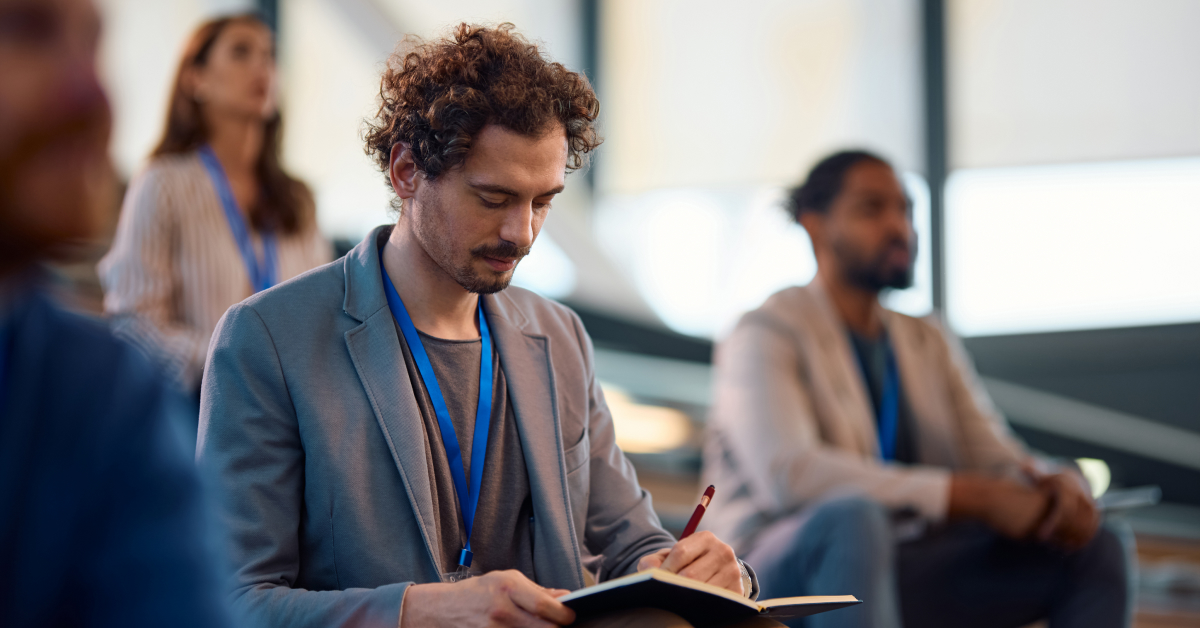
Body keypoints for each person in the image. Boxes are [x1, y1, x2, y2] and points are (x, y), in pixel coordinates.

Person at [198, 23, 765, 628]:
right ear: (407, 172)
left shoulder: (560, 338)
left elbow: (632, 546)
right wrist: (417, 612)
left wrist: (711, 573)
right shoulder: (268, 340)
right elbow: (226, 601)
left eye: (542, 202)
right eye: (493, 199)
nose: (521, 234)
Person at [702, 150, 1131, 628]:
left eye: (905, 209)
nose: (899, 227)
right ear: (815, 226)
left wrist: (1057, 481)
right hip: (770, 574)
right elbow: (791, 476)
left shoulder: (925, 339)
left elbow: (994, 457)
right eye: (872, 208)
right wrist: (965, 496)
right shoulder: (764, 330)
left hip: (895, 564)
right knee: (853, 519)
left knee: (1095, 544)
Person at [0, 0, 232, 626]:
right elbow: (141, 314)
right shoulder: (164, 184)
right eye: (26, 31)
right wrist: (232, 359)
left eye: (93, 44)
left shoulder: (97, 393)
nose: (93, 92)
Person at [99, 13, 330, 401]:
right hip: (197, 410)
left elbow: (324, 316)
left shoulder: (297, 196)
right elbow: (133, 323)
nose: (262, 66)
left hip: (292, 415)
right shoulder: (162, 183)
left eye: (268, 55)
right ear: (196, 79)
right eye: (241, 52)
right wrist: (229, 362)